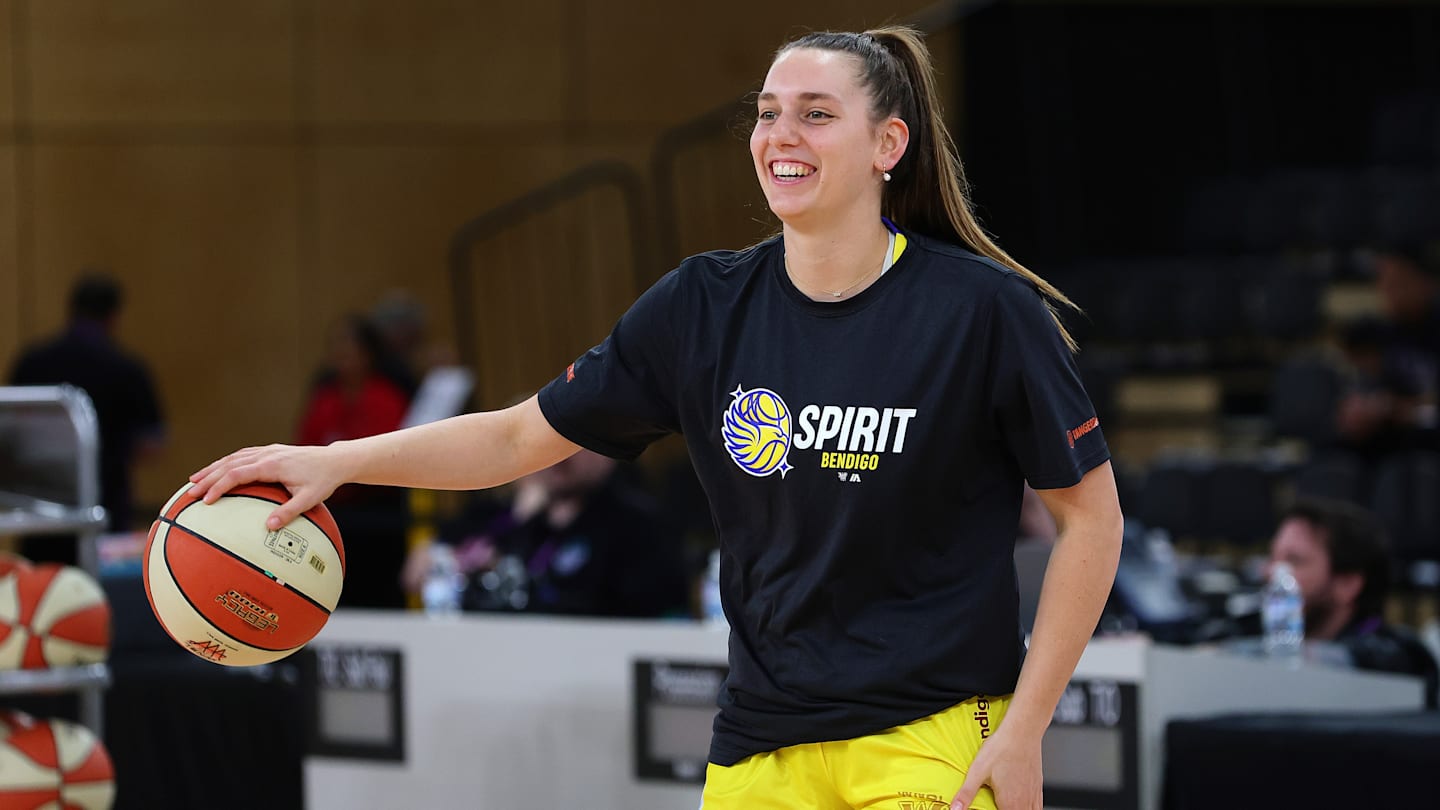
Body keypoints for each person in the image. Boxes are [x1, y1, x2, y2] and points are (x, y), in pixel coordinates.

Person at [191, 27, 1122, 810]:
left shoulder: (980, 311)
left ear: (888, 145)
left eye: (815, 113)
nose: (778, 134)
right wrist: (336, 461)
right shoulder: (703, 306)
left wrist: (1028, 726)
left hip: (932, 734)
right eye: (766, 112)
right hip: (760, 744)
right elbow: (519, 436)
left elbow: (1093, 520)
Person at [401, 449, 690, 618]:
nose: (557, 458)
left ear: (606, 454)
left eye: (573, 447)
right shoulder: (519, 521)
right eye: (550, 448)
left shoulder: (636, 522)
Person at [8, 273, 165, 543]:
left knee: (40, 585)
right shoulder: (125, 369)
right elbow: (152, 443)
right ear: (114, 316)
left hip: (40, 515)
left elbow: (10, 434)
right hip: (105, 509)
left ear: (71, 309)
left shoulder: (32, 362)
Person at [1267, 496, 1437, 701]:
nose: (1270, 573)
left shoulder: (1397, 655)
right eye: (1272, 558)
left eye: (1294, 561)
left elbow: (1367, 659)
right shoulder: (1247, 629)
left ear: (1348, 584)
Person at [295, 314, 412, 608]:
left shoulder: (386, 397)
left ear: (368, 353)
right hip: (332, 511)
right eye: (337, 348)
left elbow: (395, 452)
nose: (342, 356)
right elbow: (304, 447)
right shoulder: (325, 398)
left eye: (349, 348)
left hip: (379, 513)